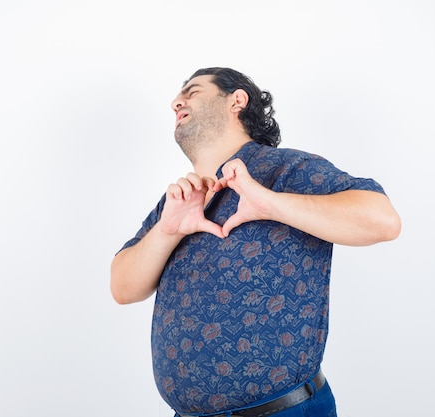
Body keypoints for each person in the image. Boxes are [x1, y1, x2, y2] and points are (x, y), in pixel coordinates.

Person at [110, 67, 401, 417]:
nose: (177, 101)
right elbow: (122, 287)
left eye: (193, 91)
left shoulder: (285, 169)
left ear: (237, 100)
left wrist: (270, 203)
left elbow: (383, 220)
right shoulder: (180, 199)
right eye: (178, 95)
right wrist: (168, 230)